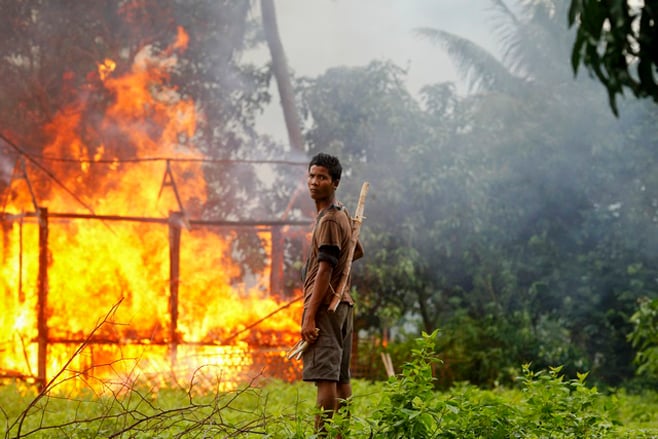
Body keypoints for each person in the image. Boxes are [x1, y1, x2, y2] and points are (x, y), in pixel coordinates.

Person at [300, 152, 363, 435]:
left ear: (334, 182)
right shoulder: (342, 214)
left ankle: (323, 436)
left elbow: (326, 268)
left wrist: (310, 315)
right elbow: (355, 251)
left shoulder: (328, 221)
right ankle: (342, 435)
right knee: (341, 378)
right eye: (312, 176)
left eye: (322, 177)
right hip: (344, 306)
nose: (314, 182)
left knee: (325, 378)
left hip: (327, 307)